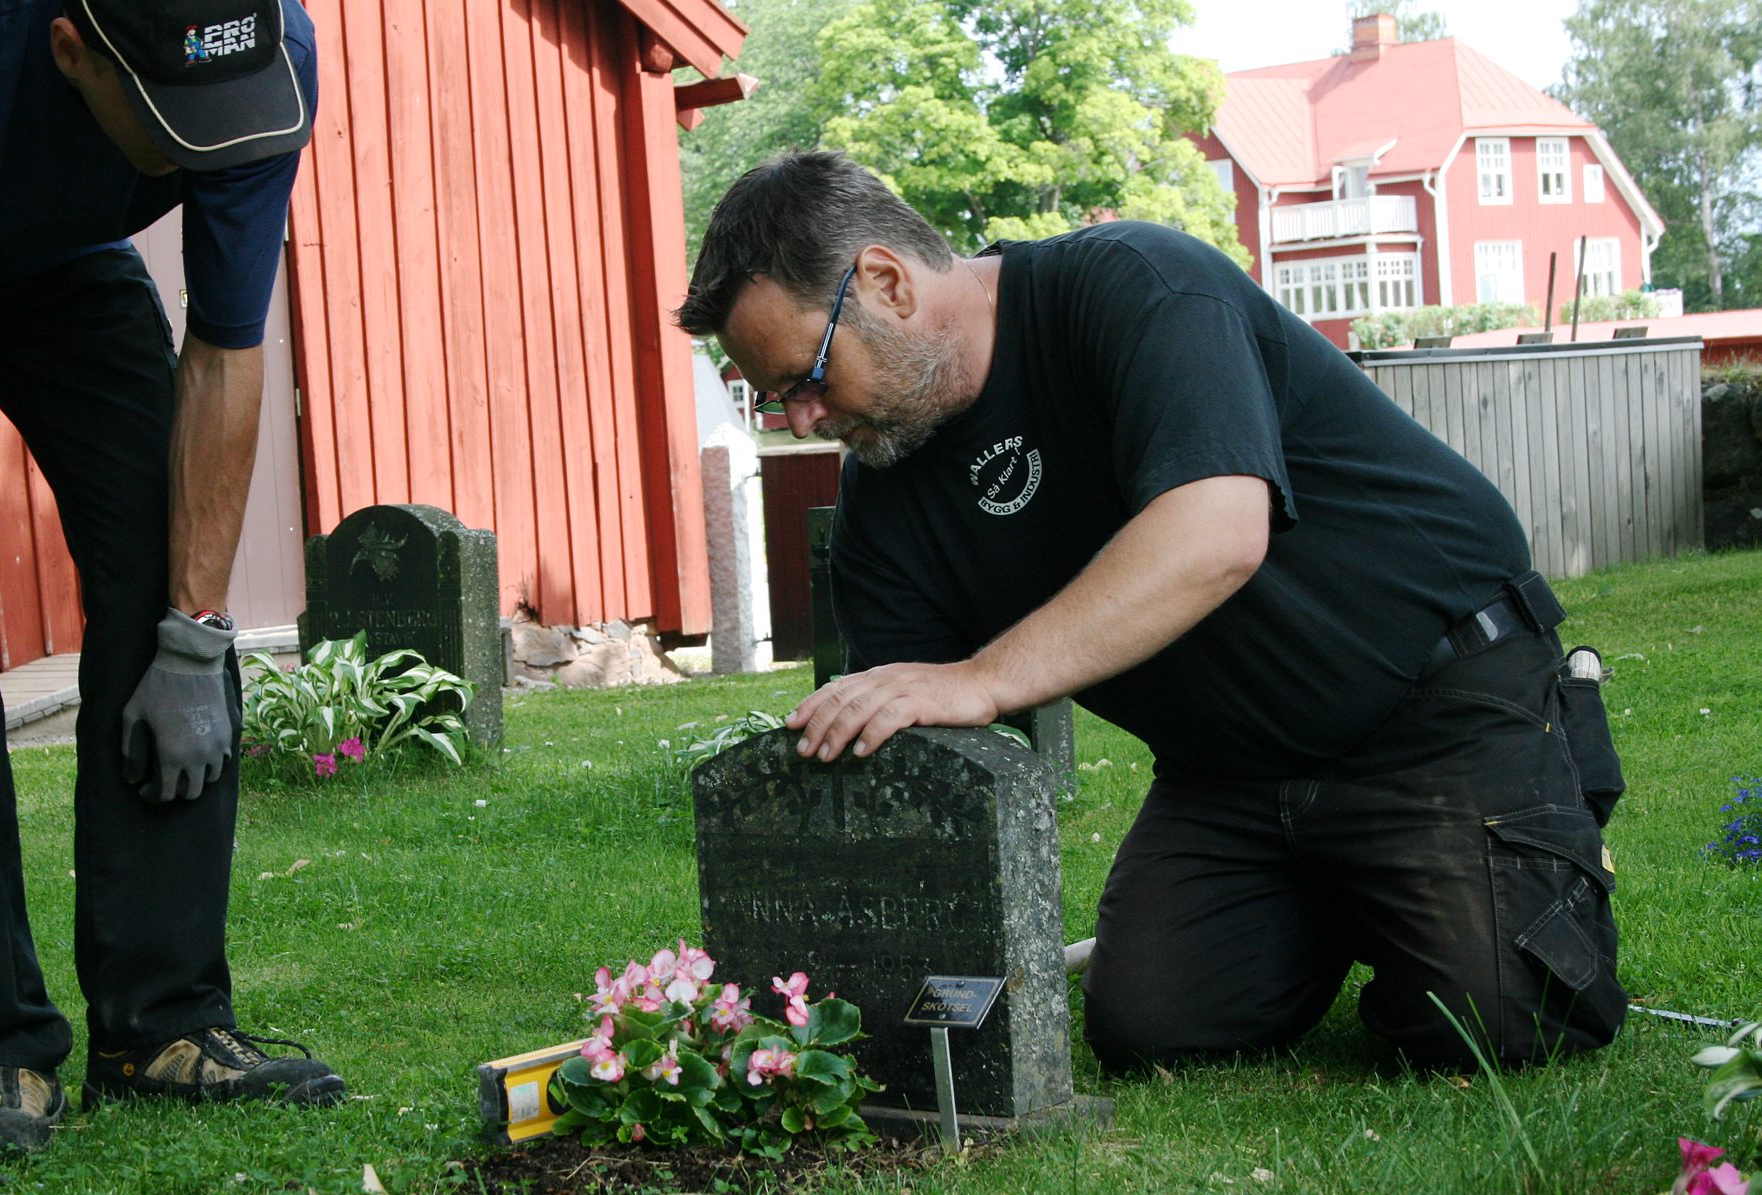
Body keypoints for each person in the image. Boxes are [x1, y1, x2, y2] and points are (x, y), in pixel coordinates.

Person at [676, 150, 1628, 1072]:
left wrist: (982, 678)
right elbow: (911, 758)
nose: (799, 420)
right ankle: (1366, 891)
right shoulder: (884, 502)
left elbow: (1217, 532)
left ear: (884, 282)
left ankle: (1471, 860)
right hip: (1232, 775)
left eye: (805, 378)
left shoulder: (1135, 284)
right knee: (1148, 1024)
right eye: (769, 400)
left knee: (1500, 1018)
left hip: (1438, 699)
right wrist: (831, 989)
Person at [0, 0, 342, 1156]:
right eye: (169, 120)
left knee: (173, 576)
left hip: (61, 256)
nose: (195, 144)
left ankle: (160, 1026)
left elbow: (227, 344)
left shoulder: (263, 60)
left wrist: (193, 629)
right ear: (72, 46)